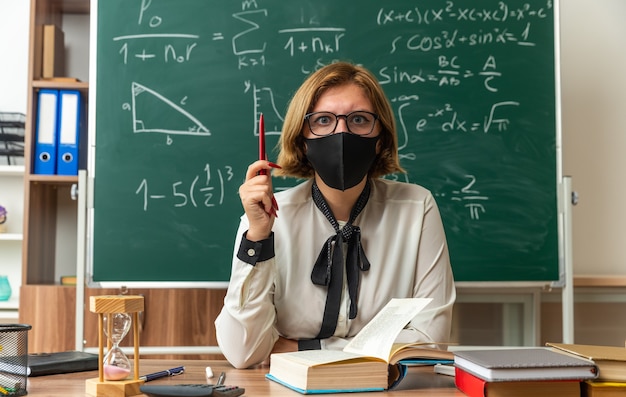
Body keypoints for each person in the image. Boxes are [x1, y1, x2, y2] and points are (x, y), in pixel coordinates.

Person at [215, 61, 456, 369]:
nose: (341, 133)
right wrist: (258, 238)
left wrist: (303, 347)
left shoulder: (417, 208)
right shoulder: (270, 216)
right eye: (324, 120)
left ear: (380, 137)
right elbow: (243, 352)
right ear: (303, 140)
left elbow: (428, 342)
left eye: (358, 119)